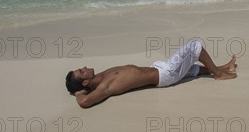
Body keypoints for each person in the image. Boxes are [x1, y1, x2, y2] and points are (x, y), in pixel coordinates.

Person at [65, 39, 237, 108]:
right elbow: (85, 102)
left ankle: (223, 68)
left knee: (191, 69)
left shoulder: (98, 77)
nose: (84, 67)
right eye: (81, 71)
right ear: (85, 83)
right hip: (164, 76)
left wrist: (78, 88)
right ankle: (218, 74)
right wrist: (78, 93)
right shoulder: (104, 87)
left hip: (158, 70)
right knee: (195, 46)